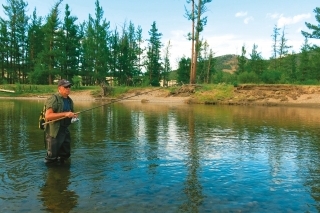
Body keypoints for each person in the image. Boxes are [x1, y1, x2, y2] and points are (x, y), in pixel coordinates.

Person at [44, 79, 77, 164]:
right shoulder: (54, 99)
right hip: (54, 132)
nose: (68, 88)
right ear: (59, 88)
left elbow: (69, 114)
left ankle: (63, 172)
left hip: (64, 130)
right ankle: (52, 175)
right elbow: (48, 116)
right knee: (52, 157)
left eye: (69, 86)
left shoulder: (69, 100)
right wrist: (65, 114)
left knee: (65, 154)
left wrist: (73, 116)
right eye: (66, 87)